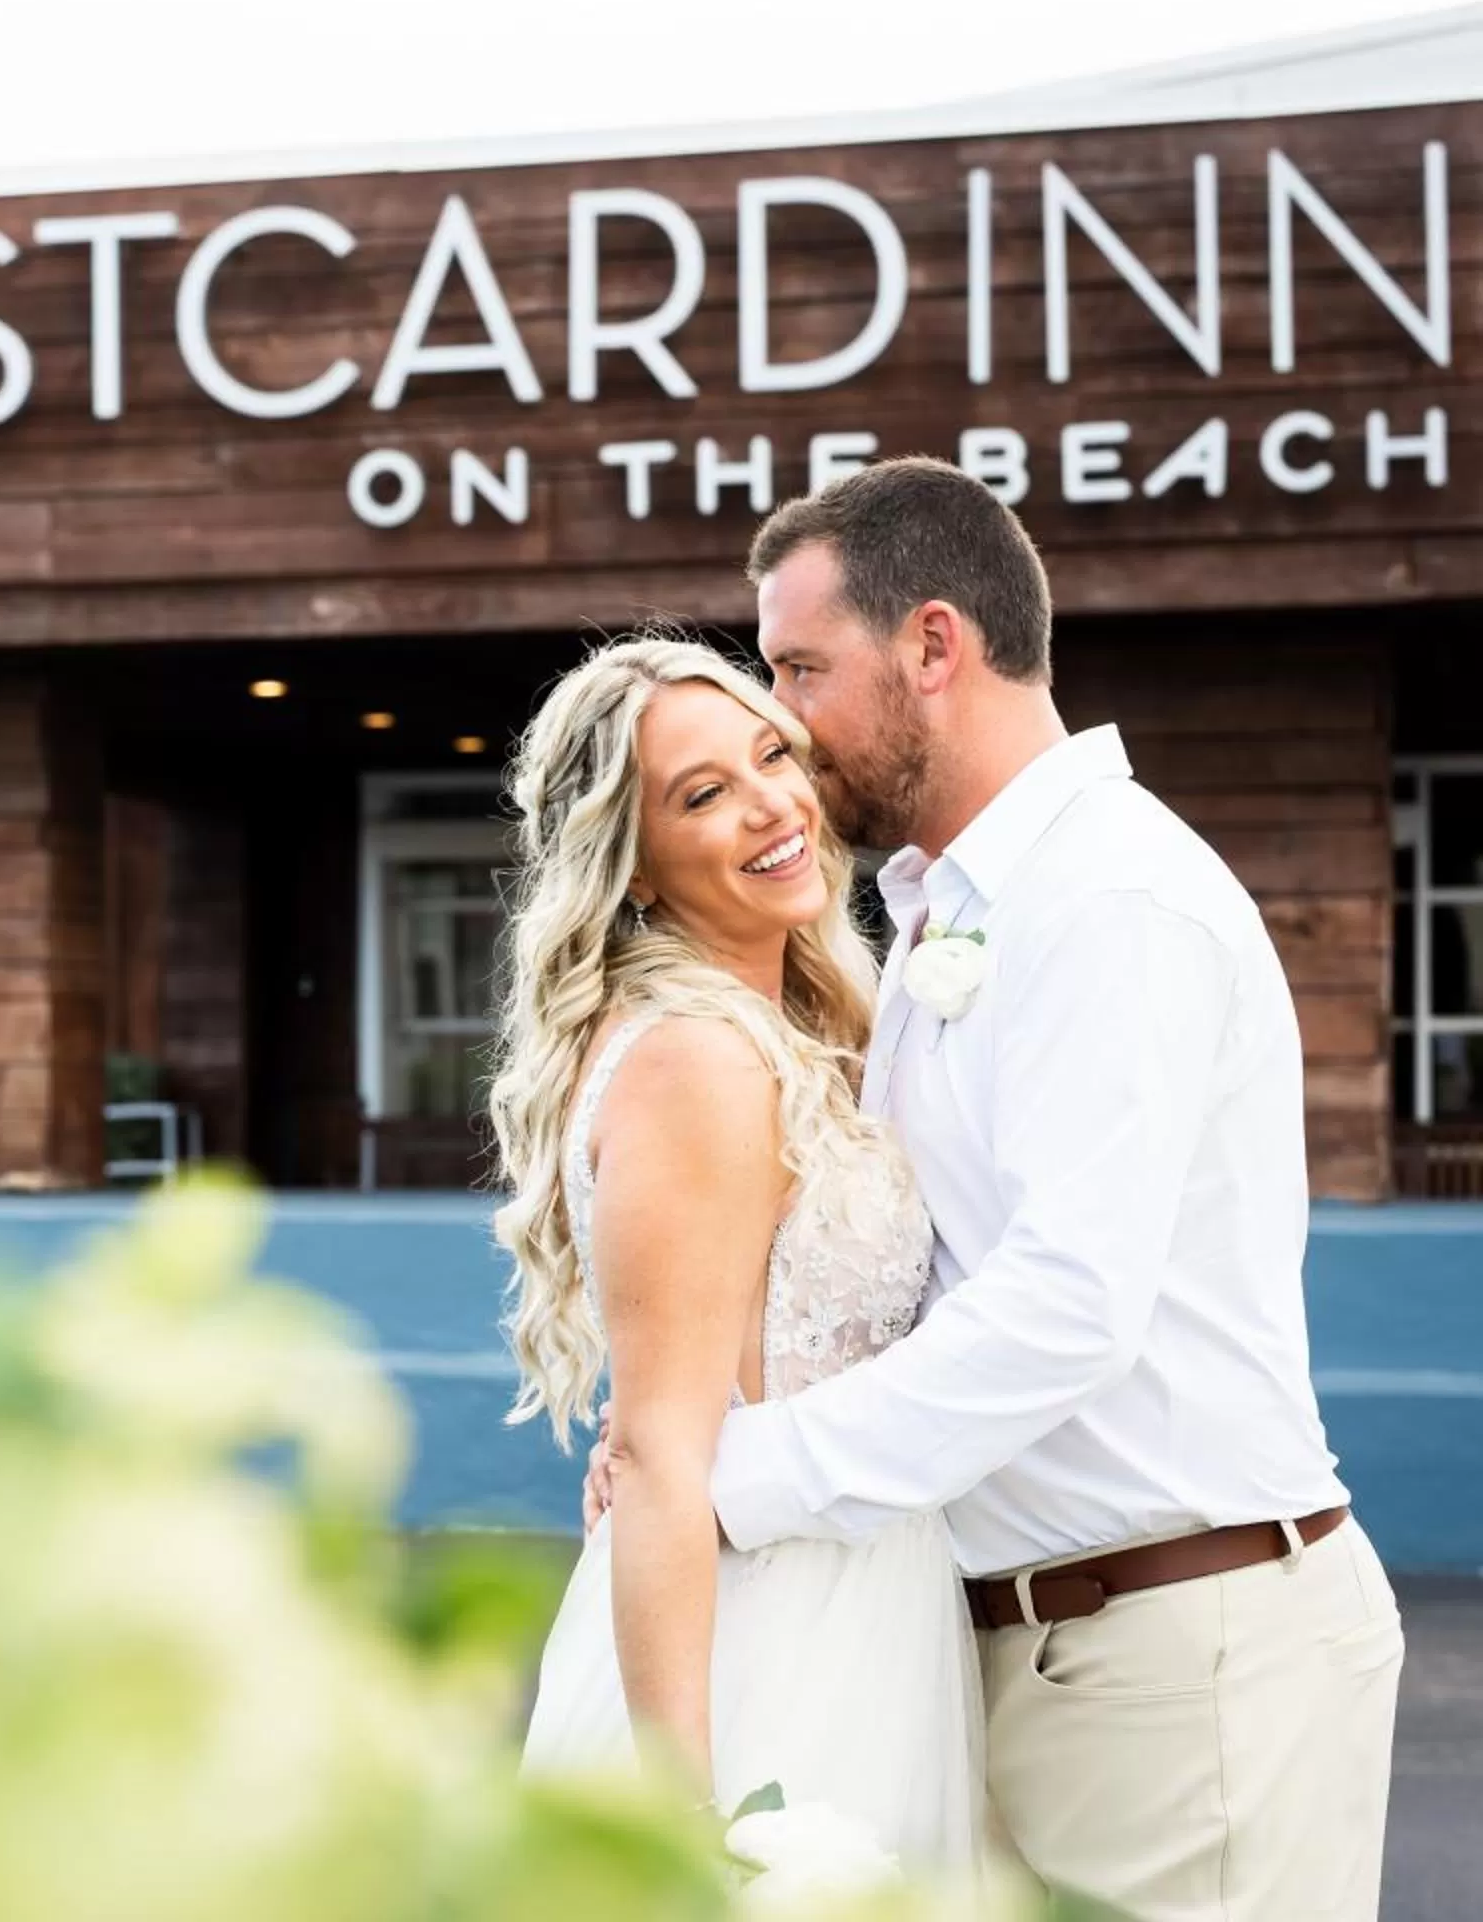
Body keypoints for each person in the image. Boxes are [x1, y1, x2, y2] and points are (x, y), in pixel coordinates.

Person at [584, 457, 1406, 1920]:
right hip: (994, 1657)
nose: (783, 718)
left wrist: (743, 1475)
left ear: (935, 648)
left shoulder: (1110, 899)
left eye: (799, 670)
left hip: (1179, 1656)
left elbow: (1065, 1305)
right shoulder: (934, 916)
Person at [500, 633, 988, 1872]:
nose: (771, 802)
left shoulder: (796, 1029)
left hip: (869, 1595)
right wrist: (683, 1821)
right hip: (774, 1635)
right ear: (637, 873)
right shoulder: (700, 1062)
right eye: (701, 793)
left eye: (772, 753)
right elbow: (666, 1454)